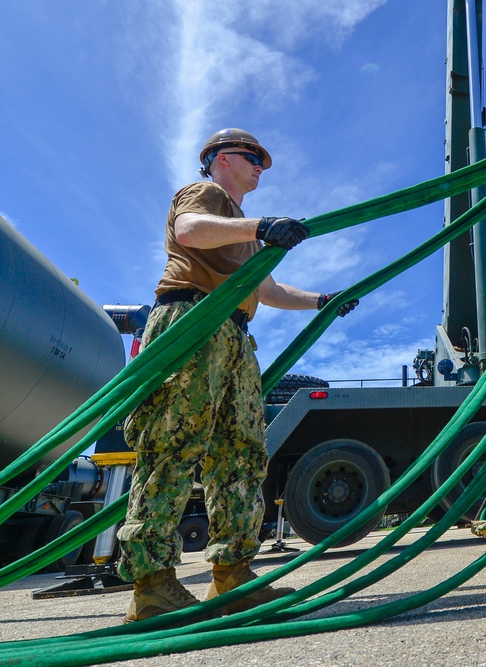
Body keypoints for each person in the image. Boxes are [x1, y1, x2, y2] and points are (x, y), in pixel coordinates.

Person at [117, 128, 358, 622]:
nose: (260, 167)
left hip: (233, 334)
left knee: (242, 452)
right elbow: (187, 231)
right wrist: (260, 226)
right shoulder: (208, 197)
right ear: (220, 158)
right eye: (253, 158)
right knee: (174, 445)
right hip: (194, 319)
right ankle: (152, 585)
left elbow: (267, 290)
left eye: (263, 162)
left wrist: (321, 301)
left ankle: (233, 575)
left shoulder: (244, 232)